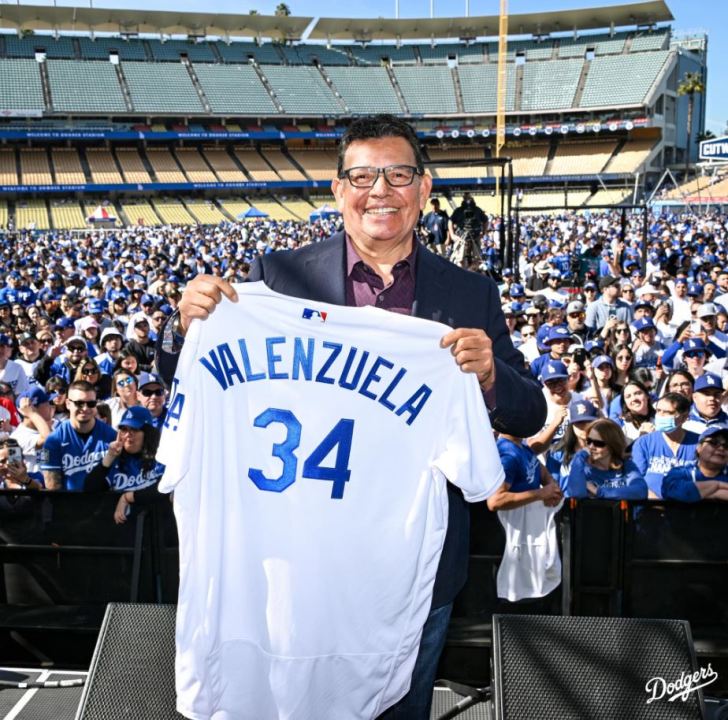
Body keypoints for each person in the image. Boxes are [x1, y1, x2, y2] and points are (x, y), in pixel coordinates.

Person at [156, 114, 546, 720]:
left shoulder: (470, 294)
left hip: (409, 573)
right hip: (291, 557)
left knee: (399, 711)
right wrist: (184, 329)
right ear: (338, 190)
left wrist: (492, 377)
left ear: (425, 188)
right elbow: (193, 379)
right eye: (363, 176)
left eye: (398, 175)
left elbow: (531, 413)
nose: (380, 191)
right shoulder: (276, 278)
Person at [84, 405, 165, 524]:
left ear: (148, 433)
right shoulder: (115, 460)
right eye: (124, 429)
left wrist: (128, 497)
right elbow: (89, 489)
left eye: (135, 429)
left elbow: (164, 490)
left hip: (157, 530)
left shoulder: (162, 457)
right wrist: (109, 457)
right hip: (122, 533)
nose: (127, 435)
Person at [40, 380, 116, 491]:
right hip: (68, 505)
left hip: (103, 503)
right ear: (68, 404)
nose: (85, 408)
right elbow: (52, 487)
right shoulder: (53, 440)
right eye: (79, 403)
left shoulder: (111, 436)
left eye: (91, 404)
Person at [631, 392, 700, 498]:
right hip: (650, 508)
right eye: (658, 411)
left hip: (689, 509)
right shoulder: (643, 443)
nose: (660, 416)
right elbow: (635, 481)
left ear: (684, 417)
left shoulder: (699, 443)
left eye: (668, 412)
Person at [564, 418, 647, 499]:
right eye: (589, 441)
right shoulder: (582, 466)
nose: (591, 447)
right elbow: (576, 494)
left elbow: (641, 491)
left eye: (598, 443)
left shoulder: (625, 465)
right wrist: (580, 455)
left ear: (612, 445)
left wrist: (599, 492)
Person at [662, 425, 728, 502]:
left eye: (727, 445)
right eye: (714, 443)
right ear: (699, 447)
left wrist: (701, 493)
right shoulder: (679, 473)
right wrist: (717, 486)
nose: (721, 448)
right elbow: (677, 493)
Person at [11, 387, 54, 475]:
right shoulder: (16, 437)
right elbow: (48, 439)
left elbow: (44, 460)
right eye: (47, 403)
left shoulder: (45, 428)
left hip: (47, 483)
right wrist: (32, 414)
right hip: (31, 485)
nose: (51, 407)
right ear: (33, 408)